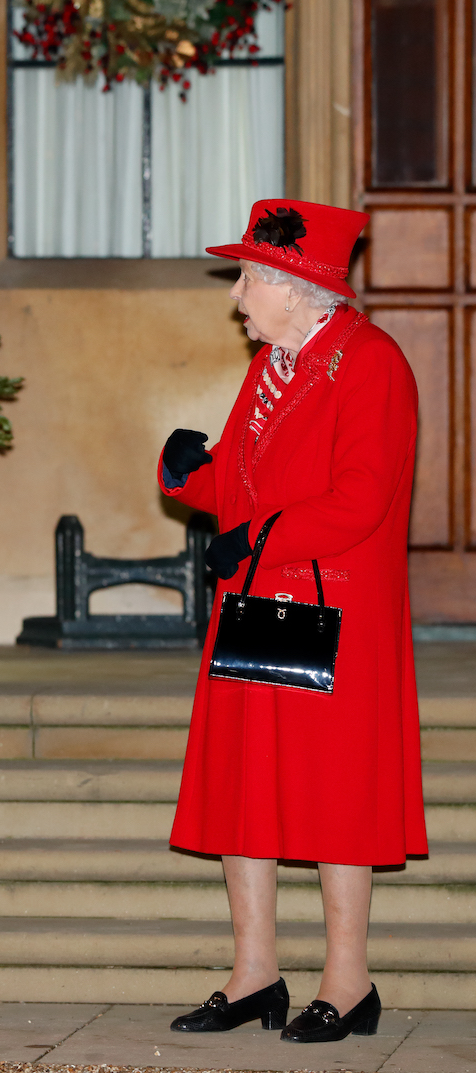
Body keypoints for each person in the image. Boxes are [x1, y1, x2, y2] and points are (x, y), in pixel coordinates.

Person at [160, 199, 426, 1044]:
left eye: (247, 277)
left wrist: (256, 538)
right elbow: (238, 483)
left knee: (335, 793)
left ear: (299, 287)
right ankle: (255, 974)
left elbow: (359, 499)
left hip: (332, 610)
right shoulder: (275, 362)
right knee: (250, 786)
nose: (237, 294)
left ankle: (348, 984)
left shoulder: (372, 363)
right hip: (264, 602)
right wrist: (185, 477)